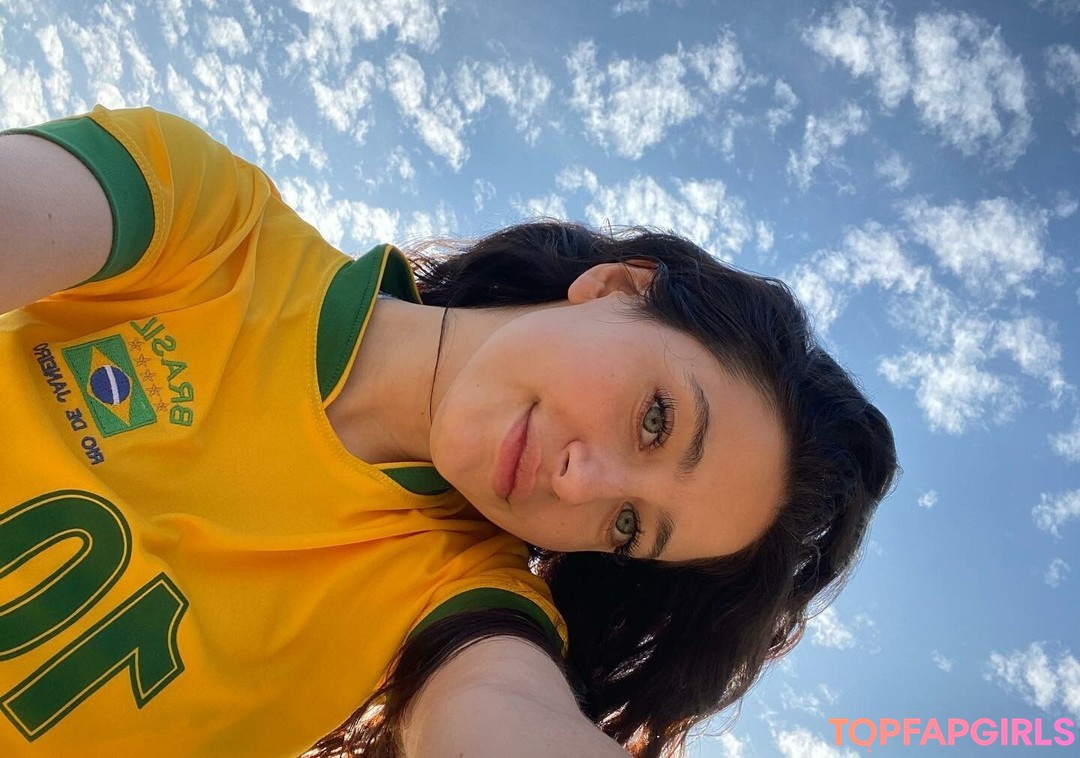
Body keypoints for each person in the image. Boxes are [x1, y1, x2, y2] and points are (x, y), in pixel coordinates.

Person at [0, 105, 897, 757]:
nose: (582, 485)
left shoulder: (460, 599)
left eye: (629, 526)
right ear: (618, 289)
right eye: (657, 421)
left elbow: (501, 713)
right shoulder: (209, 223)